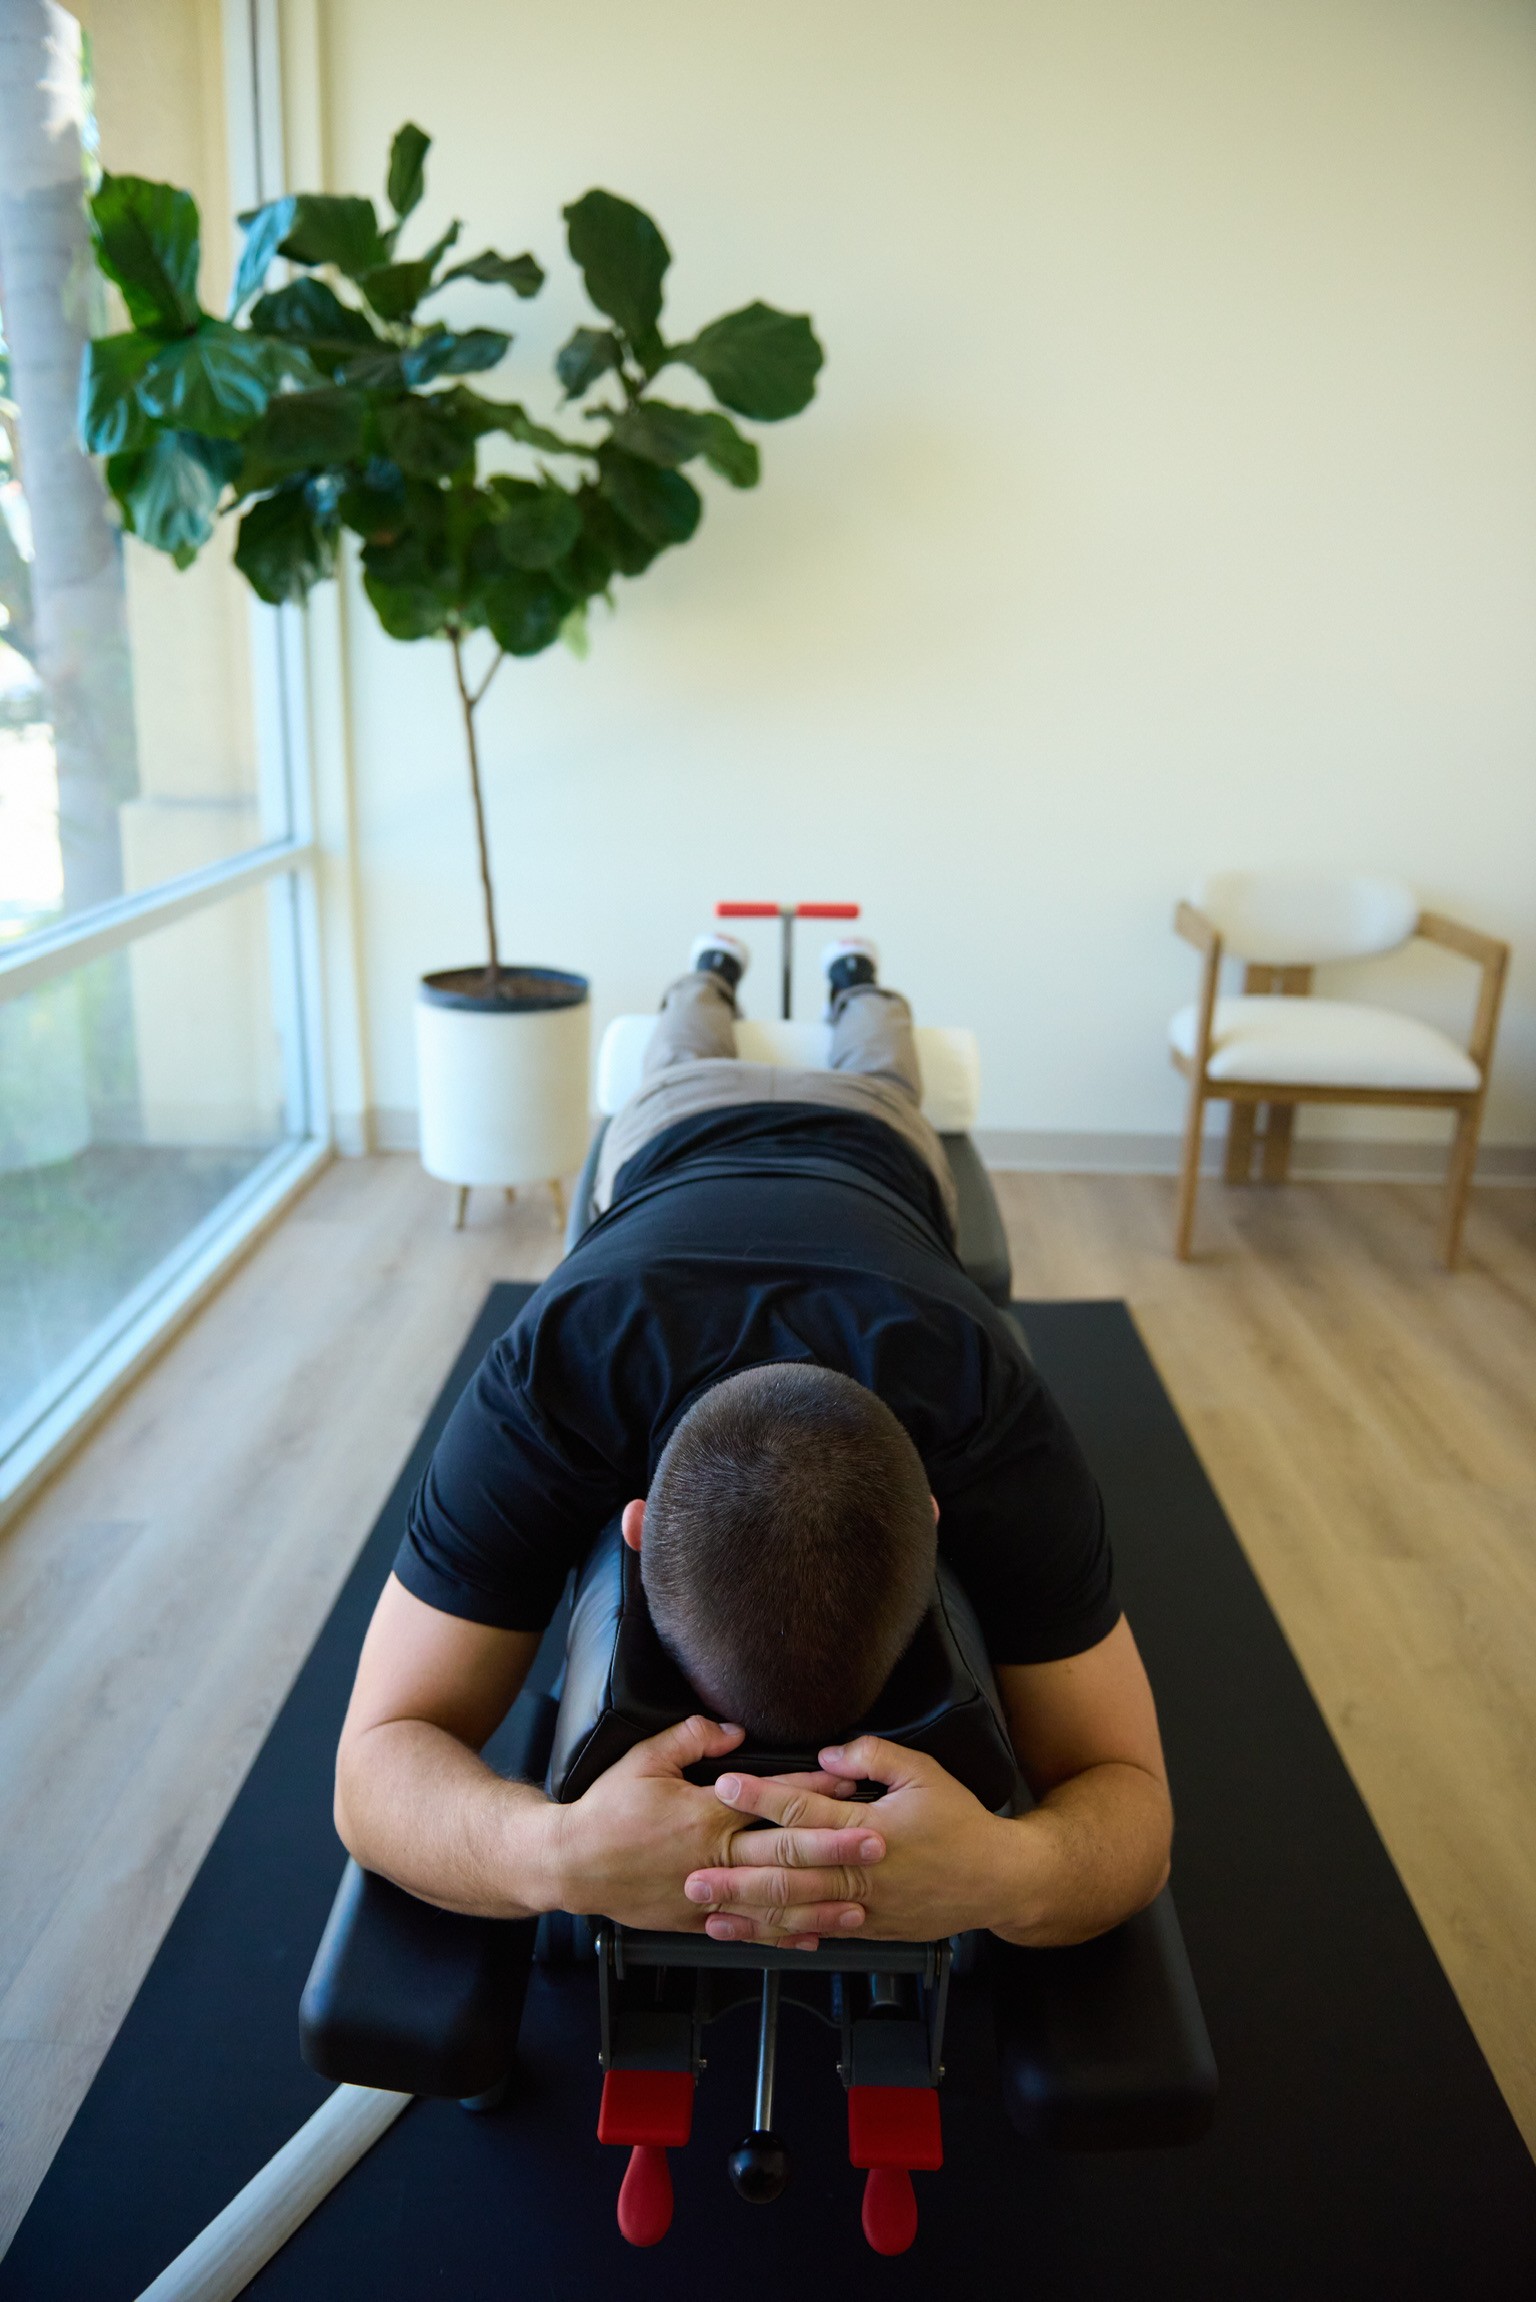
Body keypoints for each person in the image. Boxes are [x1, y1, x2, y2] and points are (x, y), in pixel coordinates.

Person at [335, 936, 1173, 1953]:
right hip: (677, 1133)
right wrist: (551, 1855)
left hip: (877, 1149)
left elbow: (1137, 1813)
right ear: (937, 1520)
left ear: (635, 1529)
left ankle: (856, 983)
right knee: (683, 1051)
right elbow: (368, 1773)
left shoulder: (980, 1396)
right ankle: (711, 974)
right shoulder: (557, 1372)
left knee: (878, 1064)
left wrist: (1010, 1872)